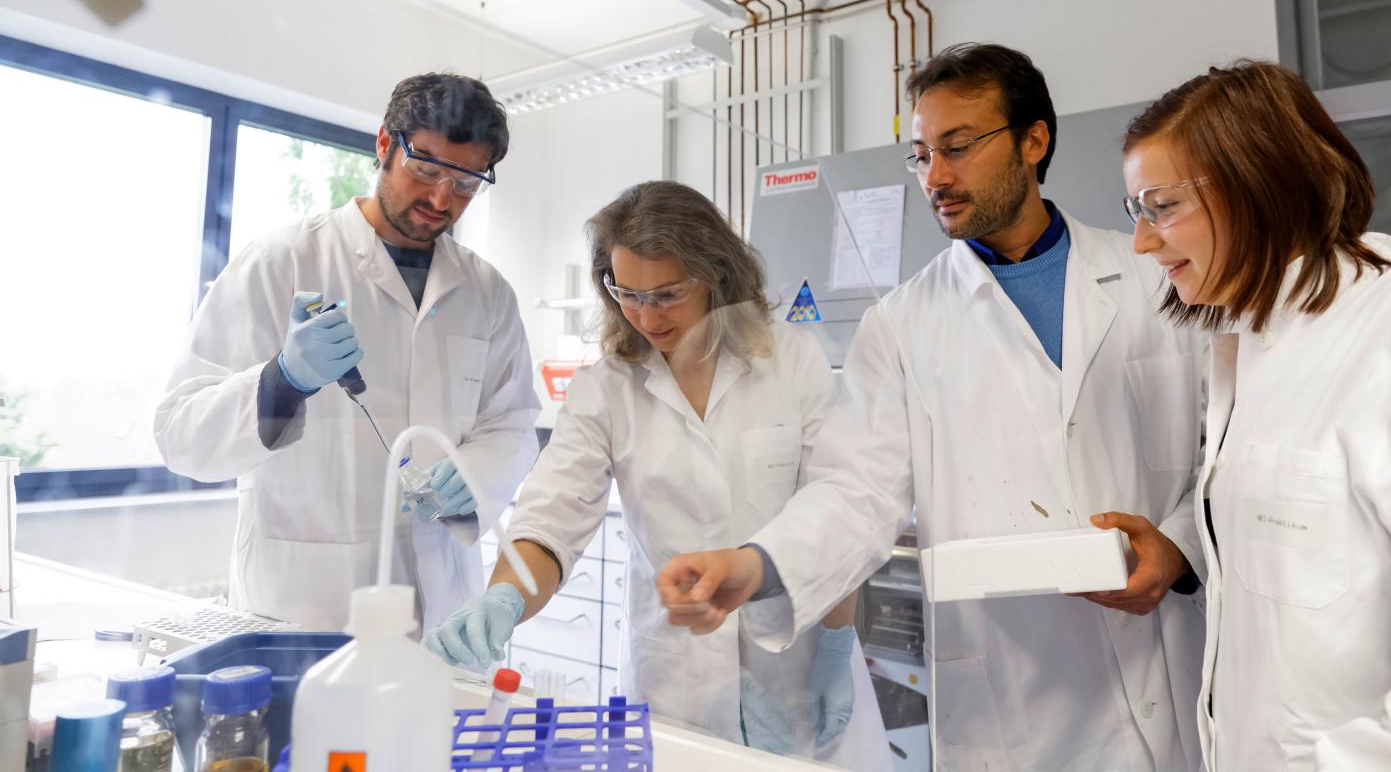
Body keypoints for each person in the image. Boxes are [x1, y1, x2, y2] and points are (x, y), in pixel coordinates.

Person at [657, 43, 1210, 771]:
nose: (935, 177)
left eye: (958, 147)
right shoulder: (903, 324)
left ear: (1033, 141)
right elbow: (857, 492)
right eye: (921, 155)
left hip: (1173, 660)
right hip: (1018, 694)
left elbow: (1224, 447)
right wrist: (758, 564)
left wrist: (1179, 547)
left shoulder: (1157, 278)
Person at [422, 181, 890, 767]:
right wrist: (504, 597)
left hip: (799, 658)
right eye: (627, 294)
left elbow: (836, 506)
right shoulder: (607, 388)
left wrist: (837, 642)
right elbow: (553, 514)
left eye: (666, 295)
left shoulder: (790, 359)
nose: (645, 316)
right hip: (677, 681)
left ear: (714, 273)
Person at [1121, 61, 1391, 771]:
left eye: (1161, 206)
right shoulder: (1244, 345)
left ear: (1256, 183)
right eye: (1136, 211)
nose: (1142, 241)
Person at [155, 73, 541, 632]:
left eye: (465, 182)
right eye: (425, 169)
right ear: (385, 143)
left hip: (443, 608)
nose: (441, 199)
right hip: (310, 608)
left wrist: (473, 475)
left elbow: (512, 423)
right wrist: (282, 380)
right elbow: (181, 435)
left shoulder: (487, 292)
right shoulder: (281, 262)